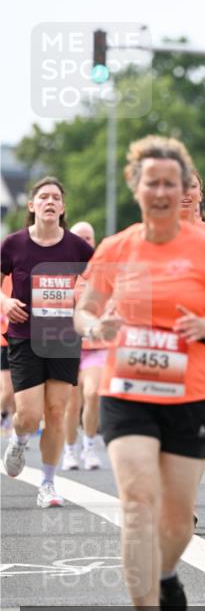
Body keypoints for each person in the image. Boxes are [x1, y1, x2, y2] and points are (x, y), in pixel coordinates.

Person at [74, 135, 205, 611]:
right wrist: (95, 326)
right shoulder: (116, 246)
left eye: (171, 182)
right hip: (126, 387)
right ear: (137, 187)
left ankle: (167, 571)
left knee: (175, 518)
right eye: (153, 182)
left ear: (183, 188)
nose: (162, 191)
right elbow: (83, 310)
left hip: (190, 391)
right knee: (136, 501)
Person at [1, 177, 94, 507]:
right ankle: (19, 438)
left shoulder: (76, 246)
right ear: (32, 206)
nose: (50, 201)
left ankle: (48, 485)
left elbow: (99, 280)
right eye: (43, 197)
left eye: (56, 197)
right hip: (25, 337)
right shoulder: (13, 244)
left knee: (57, 413)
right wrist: (5, 302)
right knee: (28, 415)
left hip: (63, 337)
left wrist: (85, 307)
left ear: (63, 207)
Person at [63, 221, 106, 471]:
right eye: (79, 237)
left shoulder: (101, 272)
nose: (84, 242)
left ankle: (89, 445)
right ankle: (70, 450)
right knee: (71, 400)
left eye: (88, 238)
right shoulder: (60, 269)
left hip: (96, 345)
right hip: (67, 346)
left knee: (93, 393)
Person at [1, 276, 15, 440]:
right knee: (7, 389)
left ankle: (14, 427)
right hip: (4, 342)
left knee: (19, 389)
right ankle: (3, 414)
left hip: (23, 340)